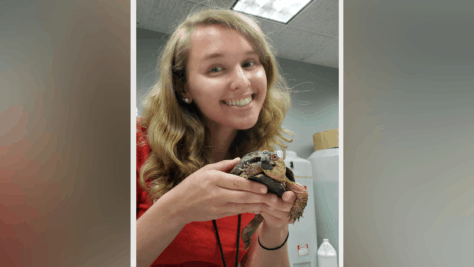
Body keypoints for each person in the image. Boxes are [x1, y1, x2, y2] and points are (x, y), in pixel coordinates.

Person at [137, 8, 296, 267]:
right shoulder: (134, 144)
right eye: (216, 68)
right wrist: (176, 209)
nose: (241, 81)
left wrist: (276, 226)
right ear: (183, 86)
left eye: (249, 63)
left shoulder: (258, 164)